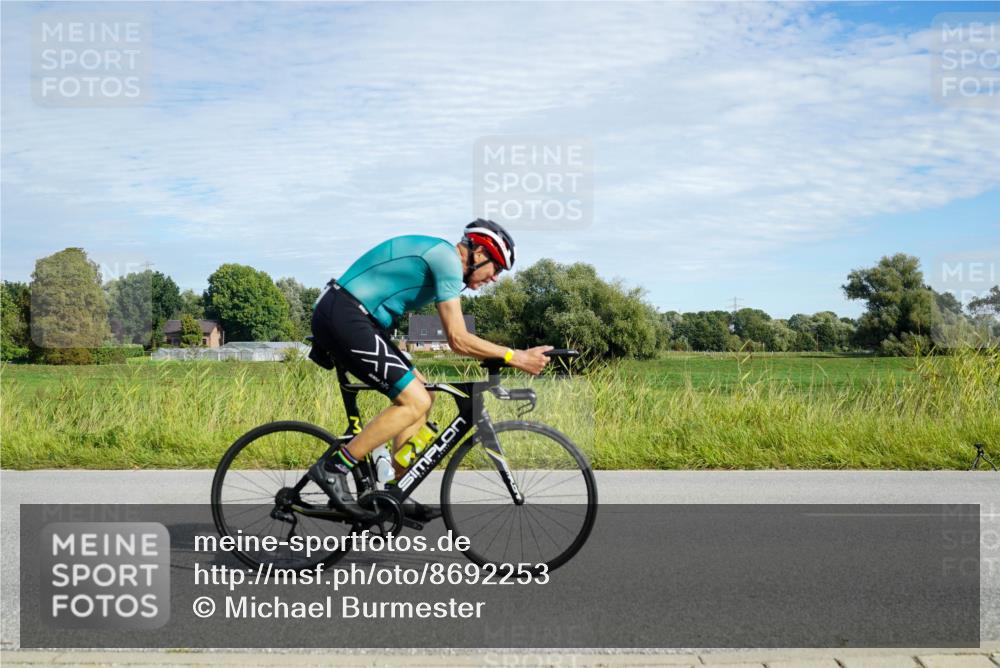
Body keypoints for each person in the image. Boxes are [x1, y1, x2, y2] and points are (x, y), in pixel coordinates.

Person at [308, 219, 553, 519]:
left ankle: (390, 490)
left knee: (425, 396)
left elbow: (459, 339)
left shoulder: (444, 259)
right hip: (344, 313)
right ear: (478, 254)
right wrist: (514, 356)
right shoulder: (447, 261)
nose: (495, 278)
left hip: (360, 318)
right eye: (497, 267)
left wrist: (503, 355)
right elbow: (458, 339)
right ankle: (333, 468)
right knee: (415, 400)